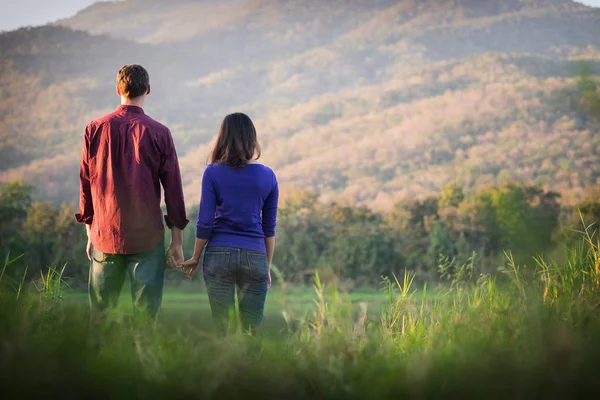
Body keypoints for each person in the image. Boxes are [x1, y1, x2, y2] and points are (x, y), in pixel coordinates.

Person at [76, 64, 188, 320]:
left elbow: (86, 183)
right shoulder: (160, 133)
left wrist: (90, 232)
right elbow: (173, 190)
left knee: (100, 320)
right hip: (147, 239)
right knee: (146, 322)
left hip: (105, 235)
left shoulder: (94, 129)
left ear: (118, 90)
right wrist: (177, 242)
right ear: (148, 90)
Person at [180, 112, 279, 335]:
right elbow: (269, 228)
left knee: (223, 329)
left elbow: (204, 222)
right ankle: (250, 368)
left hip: (218, 254)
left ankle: (224, 367)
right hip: (255, 255)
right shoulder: (268, 176)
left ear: (222, 137)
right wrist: (267, 265)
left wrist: (196, 256)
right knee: (251, 331)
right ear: (252, 139)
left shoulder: (212, 173)